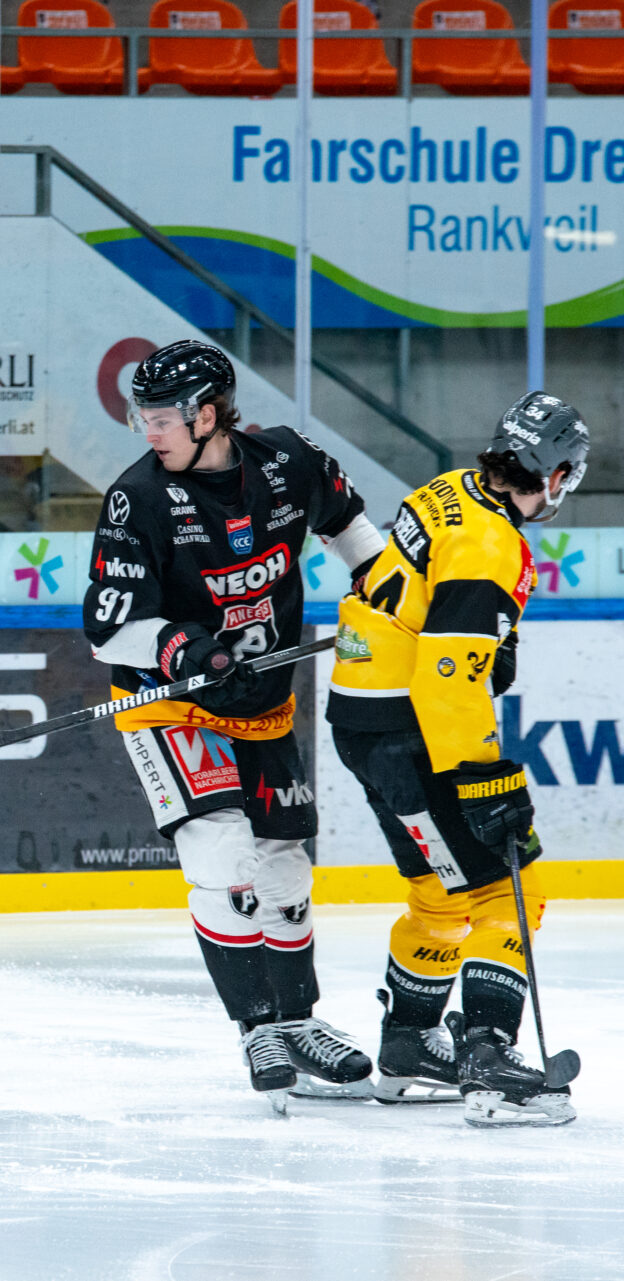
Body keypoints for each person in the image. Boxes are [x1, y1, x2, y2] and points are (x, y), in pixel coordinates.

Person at [82, 340, 388, 1112]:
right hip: (170, 702)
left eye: (162, 417)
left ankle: (298, 1021)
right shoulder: (138, 498)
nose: (148, 431)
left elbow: (356, 535)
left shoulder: (288, 461)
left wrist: (389, 598)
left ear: (209, 414)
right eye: (143, 417)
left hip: (262, 703)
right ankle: (257, 1027)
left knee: (286, 865)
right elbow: (107, 630)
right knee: (221, 852)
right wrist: (190, 649)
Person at [328, 393, 589, 1127]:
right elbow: (446, 680)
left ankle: (410, 1042)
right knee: (511, 892)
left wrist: (487, 640)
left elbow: (387, 586)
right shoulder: (490, 542)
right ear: (556, 473)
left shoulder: (446, 489)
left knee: (441, 896)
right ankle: (489, 1054)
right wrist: (484, 780)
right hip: (412, 733)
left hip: (363, 719)